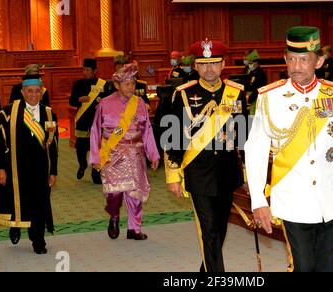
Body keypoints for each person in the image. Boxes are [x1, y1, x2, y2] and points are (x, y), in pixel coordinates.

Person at [245, 26, 333, 272]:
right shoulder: (270, 97)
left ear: (319, 61)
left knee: (326, 268)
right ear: (285, 59)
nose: (297, 66)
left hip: (331, 201)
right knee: (303, 267)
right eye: (291, 59)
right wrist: (258, 200)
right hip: (293, 200)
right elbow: (255, 149)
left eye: (304, 59)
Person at [165, 39, 247, 272]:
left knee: (220, 229)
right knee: (208, 230)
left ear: (223, 65)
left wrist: (249, 174)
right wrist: (173, 175)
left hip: (228, 171)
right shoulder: (182, 94)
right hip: (198, 170)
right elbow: (173, 137)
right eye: (203, 64)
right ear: (196, 67)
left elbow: (243, 137)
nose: (209, 69)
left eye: (214, 63)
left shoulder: (236, 93)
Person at [89, 62, 160, 240]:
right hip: (112, 154)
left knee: (135, 193)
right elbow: (95, 130)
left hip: (135, 153)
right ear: (117, 85)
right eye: (127, 84)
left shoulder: (140, 103)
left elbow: (147, 130)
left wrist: (153, 154)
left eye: (133, 84)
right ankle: (114, 216)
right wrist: (96, 156)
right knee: (113, 193)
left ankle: (133, 228)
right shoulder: (105, 104)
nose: (131, 88)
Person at [0, 75, 58, 255]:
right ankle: (15, 226)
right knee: (17, 202)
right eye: (29, 91)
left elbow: (53, 146)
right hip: (15, 167)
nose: (34, 95)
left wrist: (53, 171)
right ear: (22, 92)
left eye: (37, 91)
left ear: (42, 92)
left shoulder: (50, 114)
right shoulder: (7, 114)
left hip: (40, 169)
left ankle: (38, 240)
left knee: (39, 204)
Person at [69, 58, 109, 184]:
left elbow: (108, 100)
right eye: (83, 69)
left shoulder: (103, 84)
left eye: (87, 70)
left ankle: (96, 173)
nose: (85, 72)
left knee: (97, 148)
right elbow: (72, 101)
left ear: (95, 71)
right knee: (81, 147)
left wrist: (101, 104)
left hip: (97, 121)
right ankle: (82, 165)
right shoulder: (78, 84)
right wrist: (79, 100)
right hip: (82, 120)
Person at [244, 49, 268, 115]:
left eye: (251, 63)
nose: (249, 65)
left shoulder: (261, 73)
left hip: (255, 99)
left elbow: (260, 88)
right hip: (248, 98)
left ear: (256, 63)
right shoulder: (251, 72)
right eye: (249, 64)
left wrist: (250, 98)